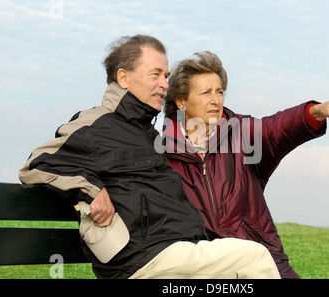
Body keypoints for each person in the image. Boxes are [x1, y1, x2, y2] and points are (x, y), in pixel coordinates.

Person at [18, 35, 281, 279]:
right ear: (124, 77)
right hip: (142, 263)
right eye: (155, 75)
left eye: (166, 76)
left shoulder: (146, 134)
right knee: (254, 257)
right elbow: (36, 165)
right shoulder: (95, 125)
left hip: (175, 255)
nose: (165, 85)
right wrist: (92, 190)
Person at [162, 51, 329, 279]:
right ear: (181, 101)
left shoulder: (241, 132)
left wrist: (317, 112)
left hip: (260, 255)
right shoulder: (161, 155)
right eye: (205, 93)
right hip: (205, 265)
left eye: (220, 92)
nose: (216, 100)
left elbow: (277, 129)